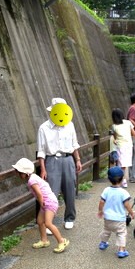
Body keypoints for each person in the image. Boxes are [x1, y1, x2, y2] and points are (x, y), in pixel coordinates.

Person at [37, 98, 82, 231]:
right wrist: (43, 169)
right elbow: (41, 150)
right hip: (52, 160)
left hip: (68, 160)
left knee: (70, 190)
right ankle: (48, 222)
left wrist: (78, 159)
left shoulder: (70, 124)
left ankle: (69, 218)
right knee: (51, 193)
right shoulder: (43, 128)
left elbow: (74, 144)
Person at [12, 158, 69, 253]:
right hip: (46, 202)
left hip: (49, 202)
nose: (18, 174)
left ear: (25, 173)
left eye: (19, 172)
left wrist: (41, 203)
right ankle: (44, 240)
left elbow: (39, 194)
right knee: (40, 221)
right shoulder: (33, 177)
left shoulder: (31, 181)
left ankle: (61, 241)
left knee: (48, 223)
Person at [97, 166, 135, 258]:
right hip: (120, 219)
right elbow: (127, 205)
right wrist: (131, 212)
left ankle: (103, 243)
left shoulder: (106, 190)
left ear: (109, 179)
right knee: (121, 233)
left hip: (108, 218)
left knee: (106, 230)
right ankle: (121, 250)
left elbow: (101, 202)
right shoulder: (123, 193)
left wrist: (100, 211)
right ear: (122, 179)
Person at [111, 108, 135, 188]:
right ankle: (122, 180)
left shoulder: (114, 126)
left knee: (120, 163)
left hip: (120, 146)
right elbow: (134, 133)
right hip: (128, 146)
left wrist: (115, 140)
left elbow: (115, 137)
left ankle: (121, 180)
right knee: (124, 164)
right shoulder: (128, 123)